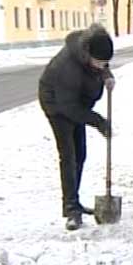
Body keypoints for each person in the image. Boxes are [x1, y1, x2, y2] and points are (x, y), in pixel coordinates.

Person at [39, 23, 114, 231]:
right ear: (87, 54)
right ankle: (71, 209)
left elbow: (103, 66)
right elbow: (69, 107)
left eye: (105, 63)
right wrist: (98, 121)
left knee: (80, 154)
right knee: (69, 155)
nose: (102, 66)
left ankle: (75, 201)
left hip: (76, 103)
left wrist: (107, 76)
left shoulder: (93, 48)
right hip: (57, 105)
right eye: (99, 63)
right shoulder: (67, 68)